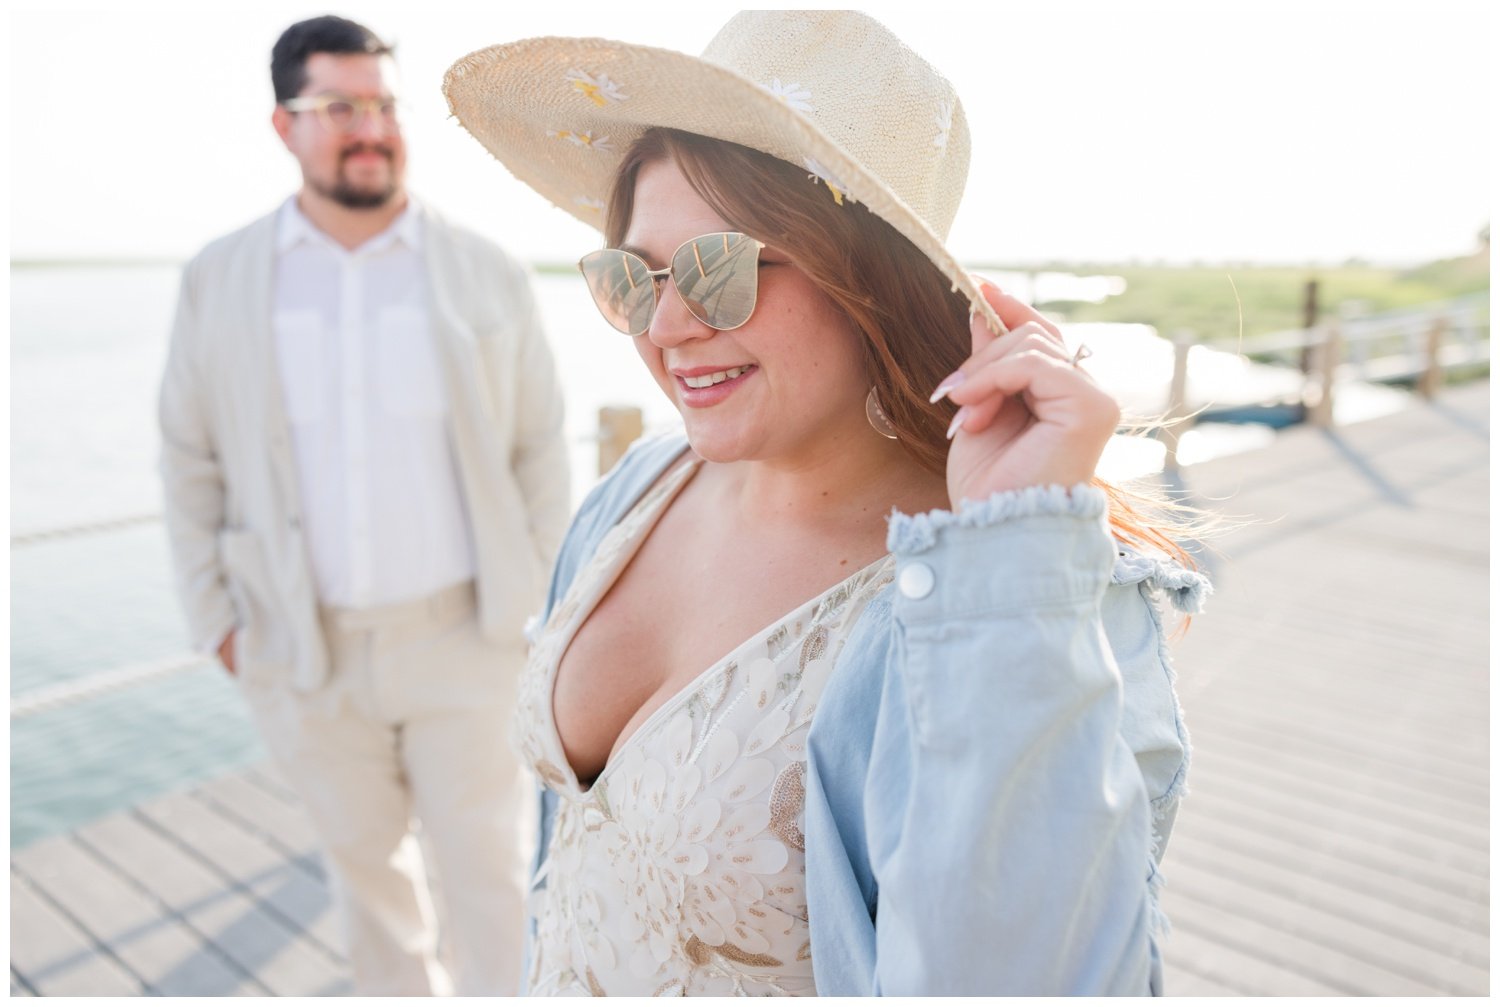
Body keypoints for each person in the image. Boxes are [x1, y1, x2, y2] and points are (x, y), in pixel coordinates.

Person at [444, 9, 1209, 996]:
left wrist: (1013, 563)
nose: (666, 324)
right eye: (632, 277)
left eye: (718, 269)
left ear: (869, 278)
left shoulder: (1018, 597)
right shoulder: (633, 494)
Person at [158, 15, 570, 996]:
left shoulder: (484, 268)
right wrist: (217, 620)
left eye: (384, 105)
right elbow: (189, 459)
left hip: (466, 643)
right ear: (283, 124)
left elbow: (540, 452)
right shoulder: (219, 278)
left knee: (493, 885)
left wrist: (539, 613)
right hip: (303, 652)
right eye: (340, 107)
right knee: (369, 890)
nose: (371, 128)